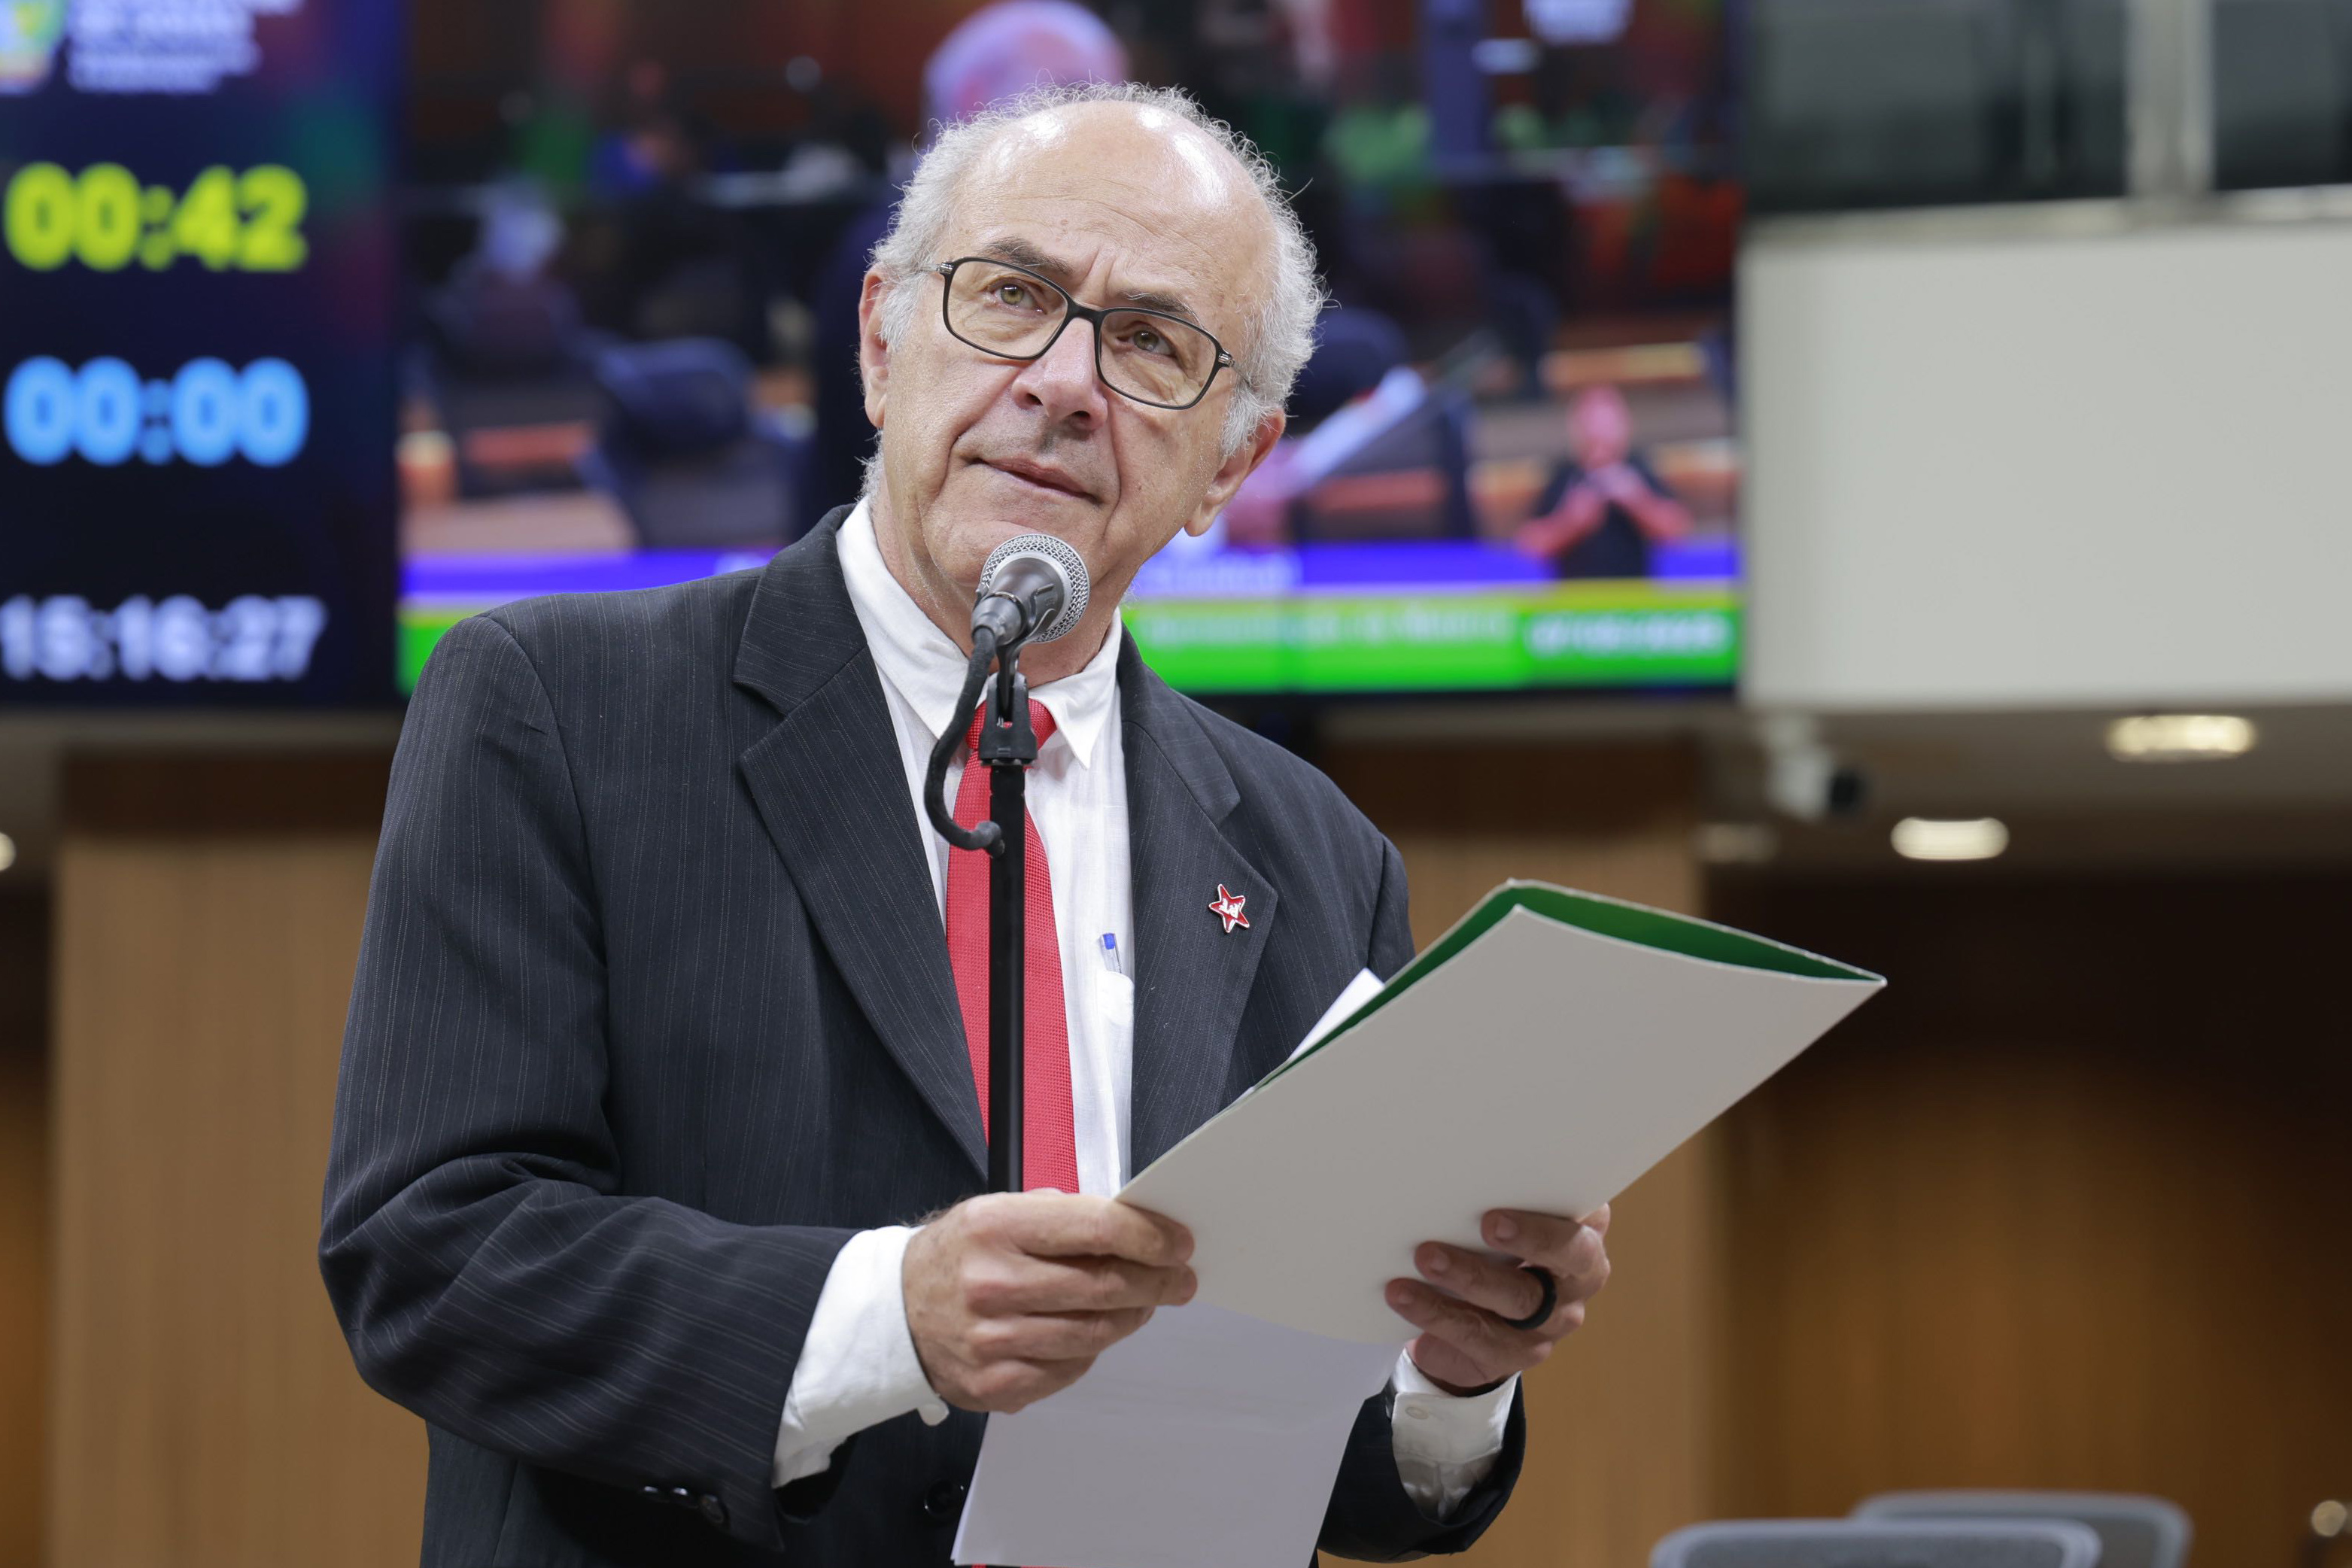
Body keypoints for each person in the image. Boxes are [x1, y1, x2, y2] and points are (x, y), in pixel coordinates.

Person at [322, 83, 1612, 1566]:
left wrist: (1454, 1367)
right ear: (881, 342)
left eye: (1152, 343)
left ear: (1231, 466)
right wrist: (892, 1317)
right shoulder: (559, 706)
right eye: (1011, 295)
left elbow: (1339, 1470)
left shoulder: (1317, 856)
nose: (1065, 382)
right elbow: (432, 1254)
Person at [1517, 382, 1692, 578]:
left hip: (1633, 592)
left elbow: (1677, 532)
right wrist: (1571, 522)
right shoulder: (1564, 475)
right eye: (1592, 422)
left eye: (1606, 423)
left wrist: (1636, 501)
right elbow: (1531, 544)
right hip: (1578, 594)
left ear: (1624, 425)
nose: (1599, 432)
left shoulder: (1638, 469)